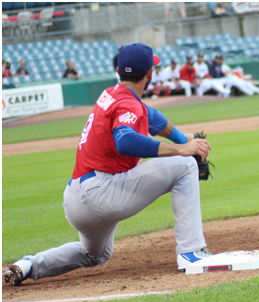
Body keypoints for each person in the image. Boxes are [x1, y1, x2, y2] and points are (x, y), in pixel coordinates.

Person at [3, 43, 213, 287]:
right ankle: (191, 253)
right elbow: (125, 140)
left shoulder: (112, 95)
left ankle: (29, 265)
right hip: (101, 193)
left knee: (95, 254)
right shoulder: (129, 105)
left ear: (118, 71)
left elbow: (155, 119)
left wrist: (189, 140)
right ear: (150, 74)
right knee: (184, 165)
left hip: (75, 199)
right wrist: (182, 150)